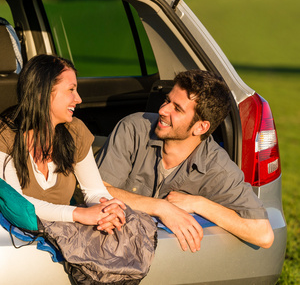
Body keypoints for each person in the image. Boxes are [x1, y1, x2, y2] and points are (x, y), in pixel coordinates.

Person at [96, 69, 274, 252]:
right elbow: (96, 190)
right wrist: (161, 208)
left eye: (177, 108)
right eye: (167, 100)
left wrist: (199, 203)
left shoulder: (218, 166)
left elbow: (263, 234)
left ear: (201, 127)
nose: (163, 110)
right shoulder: (133, 128)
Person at [0, 54, 126, 234]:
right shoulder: (5, 135)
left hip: (62, 240)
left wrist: (107, 212)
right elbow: (20, 206)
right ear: (42, 92)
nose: (79, 99)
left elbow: (94, 191)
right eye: (71, 90)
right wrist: (79, 214)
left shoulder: (75, 131)